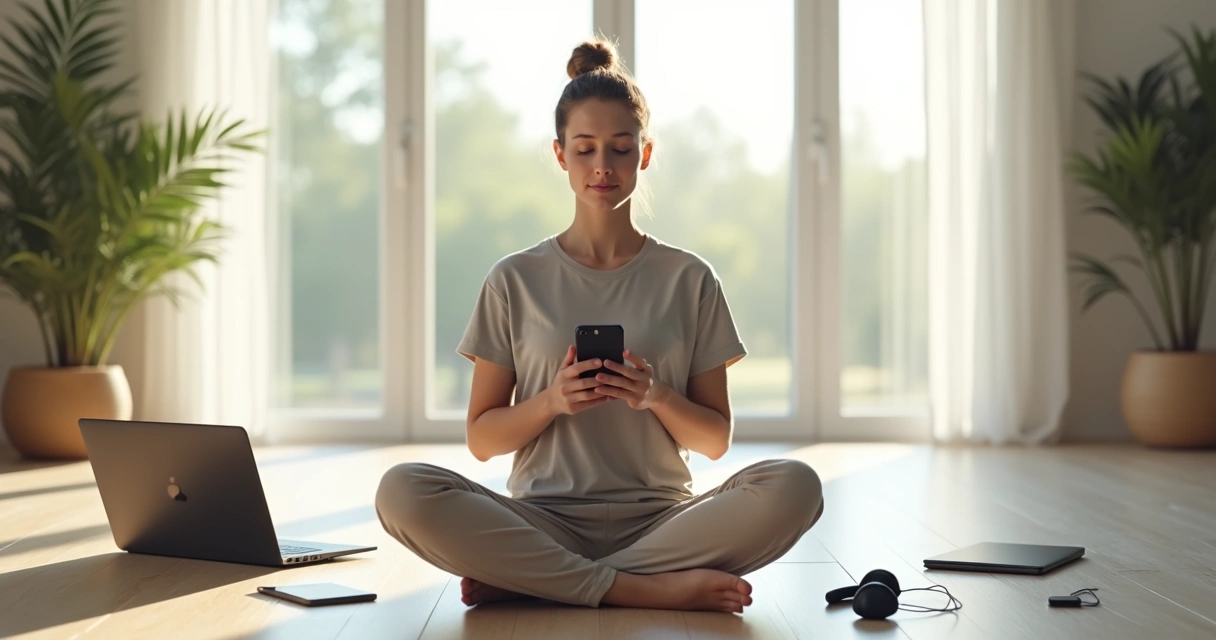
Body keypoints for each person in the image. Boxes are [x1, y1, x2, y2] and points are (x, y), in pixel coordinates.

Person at [375, 38, 823, 614]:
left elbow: (714, 439)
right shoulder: (514, 279)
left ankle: (540, 582)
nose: (603, 167)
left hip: (664, 525)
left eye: (620, 148)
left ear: (646, 152)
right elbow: (483, 439)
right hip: (541, 521)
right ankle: (639, 590)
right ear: (560, 154)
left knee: (797, 485)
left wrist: (656, 395)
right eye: (585, 149)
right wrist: (551, 402)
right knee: (402, 490)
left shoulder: (690, 279)